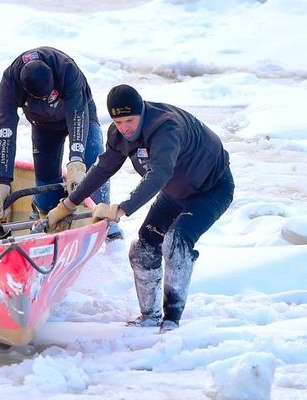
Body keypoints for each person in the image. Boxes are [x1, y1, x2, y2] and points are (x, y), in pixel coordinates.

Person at [47, 84, 235, 333]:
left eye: (130, 120)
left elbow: (159, 174)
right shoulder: (119, 133)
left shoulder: (166, 128)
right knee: (142, 249)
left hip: (211, 189)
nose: (125, 127)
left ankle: (171, 320)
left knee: (175, 243)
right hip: (174, 192)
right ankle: (149, 317)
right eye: (118, 121)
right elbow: (104, 167)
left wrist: (121, 209)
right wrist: (68, 204)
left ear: (142, 110)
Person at [0, 46, 121, 238]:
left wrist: (76, 161)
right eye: (42, 97)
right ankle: (43, 214)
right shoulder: (10, 82)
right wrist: (2, 180)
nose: (47, 99)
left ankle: (107, 226)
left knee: (94, 166)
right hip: (43, 124)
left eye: (49, 95)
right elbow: (5, 128)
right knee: (45, 184)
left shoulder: (66, 69)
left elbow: (77, 114)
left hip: (80, 114)